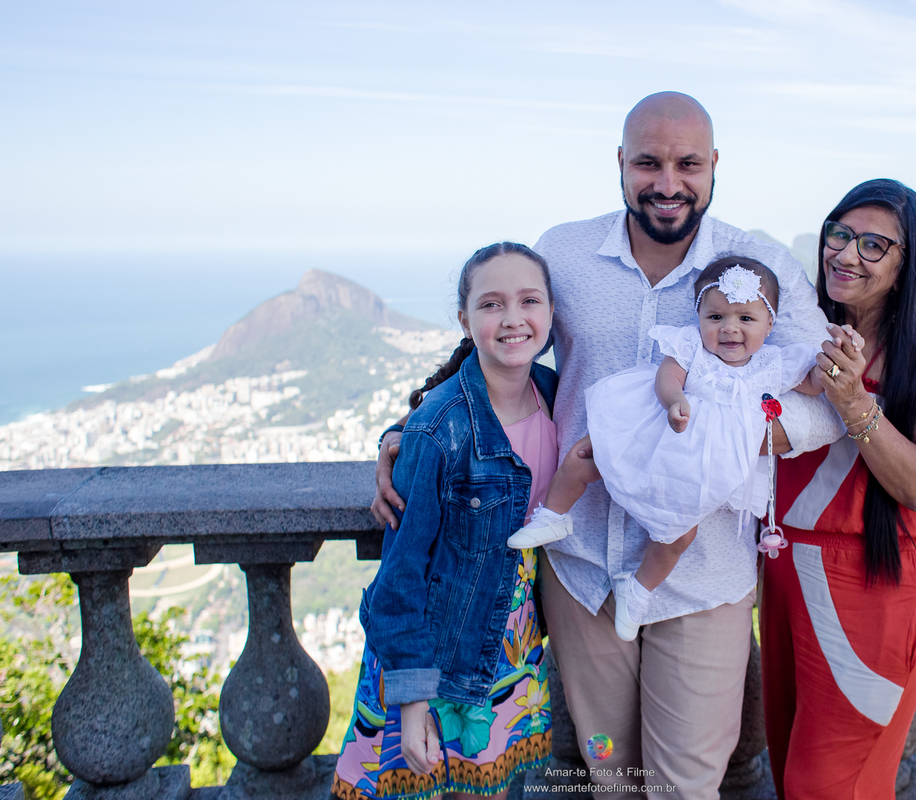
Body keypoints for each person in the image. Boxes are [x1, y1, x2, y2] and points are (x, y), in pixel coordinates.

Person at [372, 92, 842, 798]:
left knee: (684, 788)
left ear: (715, 164)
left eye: (688, 164)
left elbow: (827, 404)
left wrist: (728, 432)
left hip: (703, 571)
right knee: (611, 778)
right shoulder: (565, 252)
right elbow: (505, 348)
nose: (667, 183)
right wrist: (408, 429)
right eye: (648, 163)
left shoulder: (761, 266)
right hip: (582, 567)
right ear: (621, 162)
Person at [332, 243, 594, 800]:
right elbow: (399, 576)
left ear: (551, 312)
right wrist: (412, 701)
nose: (513, 318)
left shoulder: (556, 394)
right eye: (492, 304)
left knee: (490, 786)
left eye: (529, 301)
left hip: (510, 639)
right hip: (436, 645)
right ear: (465, 319)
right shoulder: (438, 429)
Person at [759, 179, 916, 800]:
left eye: (874, 245)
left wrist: (853, 401)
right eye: (840, 235)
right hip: (786, 573)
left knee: (825, 786)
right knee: (787, 771)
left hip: (872, 586)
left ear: (908, 264)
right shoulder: (802, 327)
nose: (847, 254)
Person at [507, 257, 830, 642]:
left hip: (698, 468)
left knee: (678, 535)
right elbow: (668, 375)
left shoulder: (771, 365)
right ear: (700, 317)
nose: (729, 328)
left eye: (746, 318)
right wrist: (675, 400)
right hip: (657, 430)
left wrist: (834, 364)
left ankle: (638, 590)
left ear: (769, 324)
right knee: (585, 454)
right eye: (715, 317)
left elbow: (814, 383)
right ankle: (553, 515)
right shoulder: (692, 347)